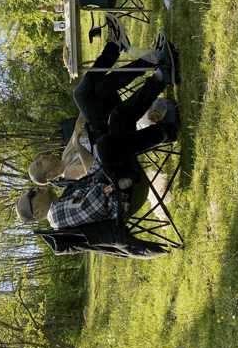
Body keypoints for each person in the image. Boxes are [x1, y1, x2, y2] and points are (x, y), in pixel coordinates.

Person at [15, 15, 180, 228]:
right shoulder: (69, 179)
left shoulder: (65, 160)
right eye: (40, 164)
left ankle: (153, 64)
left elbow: (79, 129)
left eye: (37, 160)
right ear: (48, 177)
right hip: (113, 146)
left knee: (95, 92)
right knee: (82, 95)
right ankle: (141, 58)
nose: (42, 158)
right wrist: (77, 138)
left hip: (106, 134)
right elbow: (96, 166)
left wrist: (82, 120)